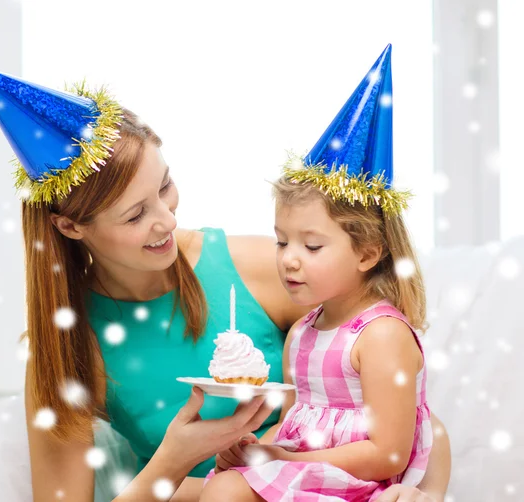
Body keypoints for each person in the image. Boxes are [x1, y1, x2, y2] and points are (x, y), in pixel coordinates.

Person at [0, 60, 450, 502]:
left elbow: (400, 413)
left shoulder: (265, 270)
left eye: (165, 187)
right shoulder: (67, 345)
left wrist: (420, 491)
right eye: (135, 216)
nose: (167, 221)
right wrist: (171, 463)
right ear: (71, 227)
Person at [200, 45, 443, 501]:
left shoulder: (381, 336)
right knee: (217, 488)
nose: (289, 258)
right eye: (281, 240)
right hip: (308, 473)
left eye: (311, 245)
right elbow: (292, 423)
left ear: (368, 253)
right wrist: (258, 448)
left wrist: (284, 462)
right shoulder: (303, 333)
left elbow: (389, 455)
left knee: (225, 495)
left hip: (363, 485)